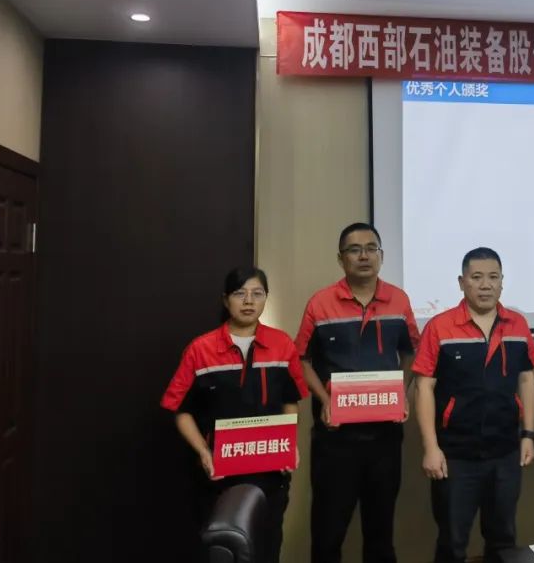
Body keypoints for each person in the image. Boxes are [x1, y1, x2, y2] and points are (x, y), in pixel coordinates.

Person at [161, 266, 308, 563]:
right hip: (218, 475)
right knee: (221, 553)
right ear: (226, 299)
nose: (249, 301)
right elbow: (180, 410)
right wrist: (203, 452)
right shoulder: (200, 349)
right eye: (240, 293)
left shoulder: (282, 345)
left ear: (266, 298)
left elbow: (290, 402)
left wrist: (288, 442)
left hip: (269, 474)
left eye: (257, 293)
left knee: (267, 550)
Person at [295, 222, 421, 563]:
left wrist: (401, 390)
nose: (364, 256)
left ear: (381, 255)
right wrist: (325, 400)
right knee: (328, 534)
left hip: (384, 438)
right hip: (336, 440)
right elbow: (300, 359)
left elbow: (411, 351)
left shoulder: (399, 300)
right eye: (354, 250)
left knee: (380, 534)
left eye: (371, 248)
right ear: (341, 259)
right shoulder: (321, 303)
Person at [413, 247, 534, 563]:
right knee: (452, 542)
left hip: (506, 451)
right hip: (455, 455)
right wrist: (431, 447)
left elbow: (526, 379)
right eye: (477, 277)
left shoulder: (518, 325)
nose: (486, 285)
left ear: (502, 282)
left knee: (503, 539)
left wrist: (528, 435)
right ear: (462, 282)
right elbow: (424, 387)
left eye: (493, 277)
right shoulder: (440, 327)